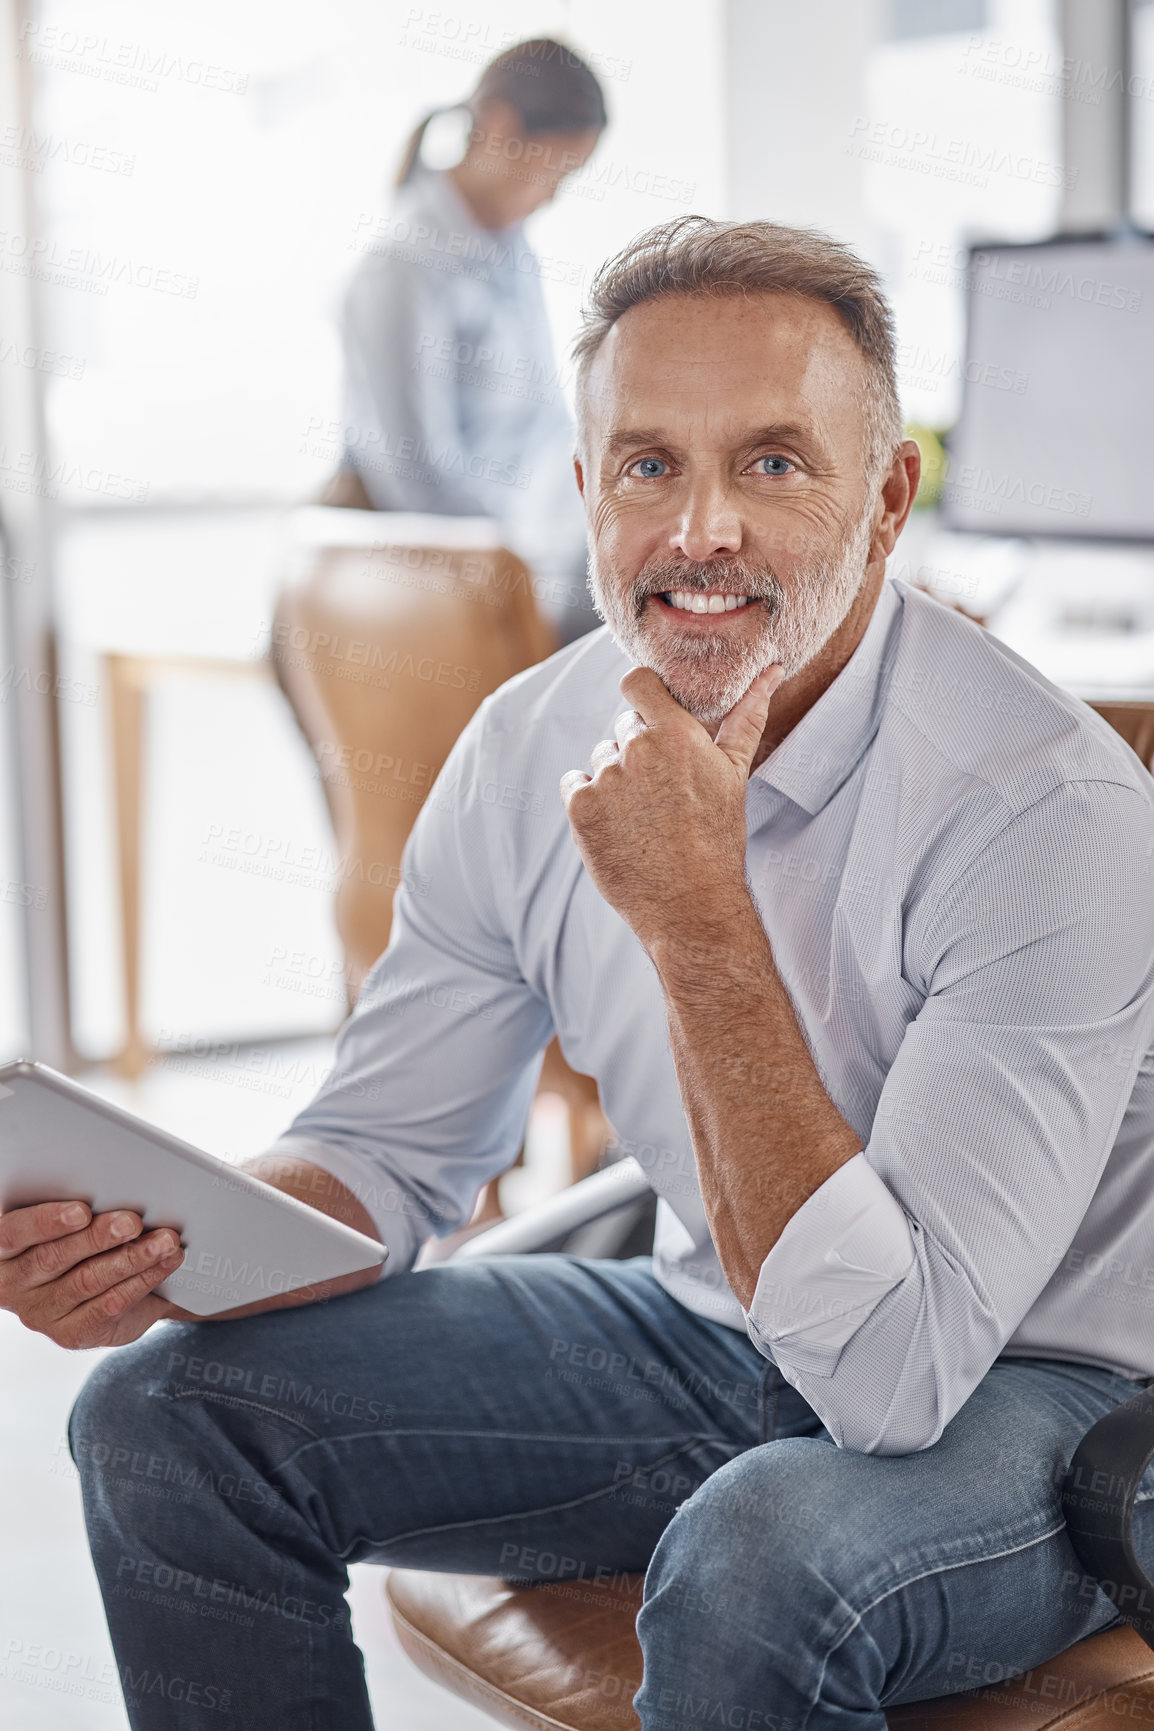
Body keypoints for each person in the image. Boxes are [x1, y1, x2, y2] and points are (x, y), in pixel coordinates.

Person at [7, 215, 1154, 1729]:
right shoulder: (525, 744)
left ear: (885, 500)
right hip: (710, 1328)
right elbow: (387, 1150)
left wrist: (696, 919)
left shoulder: (1042, 806)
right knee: (168, 1420)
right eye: (645, 466)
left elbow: (891, 1372)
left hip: (1036, 1386)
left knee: (761, 1555)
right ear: (583, 493)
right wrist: (170, 1247)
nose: (698, 532)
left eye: (771, 463)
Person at [333, 38, 606, 645]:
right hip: (462, 567)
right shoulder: (402, 271)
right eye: (555, 170)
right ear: (501, 128)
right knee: (619, 624)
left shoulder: (515, 257)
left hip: (536, 542)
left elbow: (547, 423)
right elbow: (419, 477)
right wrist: (525, 556)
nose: (553, 196)